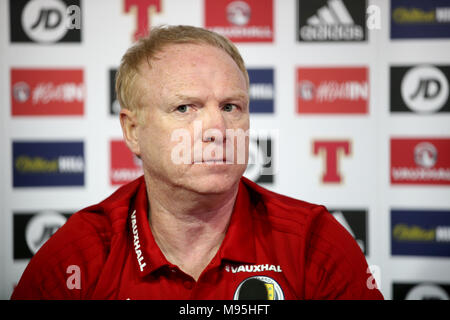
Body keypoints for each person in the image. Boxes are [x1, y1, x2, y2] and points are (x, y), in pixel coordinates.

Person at [11, 25, 383, 300]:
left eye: (230, 107)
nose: (217, 129)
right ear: (133, 131)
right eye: (185, 108)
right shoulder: (78, 256)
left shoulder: (313, 243)